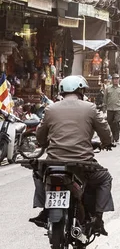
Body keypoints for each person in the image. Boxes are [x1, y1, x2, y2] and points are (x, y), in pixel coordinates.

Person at [29, 75, 114, 236]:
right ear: (81, 90)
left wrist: (45, 143)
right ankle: (97, 218)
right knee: (105, 179)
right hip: (82, 164)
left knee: (38, 173)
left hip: (53, 163)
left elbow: (40, 135)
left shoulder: (50, 109)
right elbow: (105, 131)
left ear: (62, 91)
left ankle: (44, 210)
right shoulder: (90, 108)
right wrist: (106, 142)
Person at [104, 73, 120, 144]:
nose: (115, 80)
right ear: (112, 80)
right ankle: (111, 138)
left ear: (118, 80)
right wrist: (105, 106)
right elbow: (105, 98)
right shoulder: (108, 88)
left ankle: (116, 138)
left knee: (116, 123)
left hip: (118, 109)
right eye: (114, 79)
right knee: (110, 123)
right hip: (110, 108)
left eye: (117, 79)